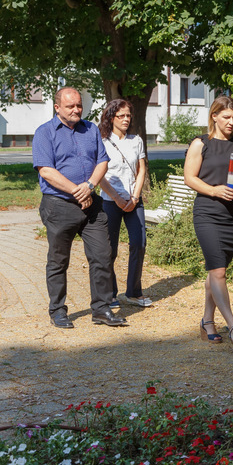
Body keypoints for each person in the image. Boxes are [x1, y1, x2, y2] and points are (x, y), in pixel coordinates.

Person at [32, 87, 128, 328]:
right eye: (70, 106)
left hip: (91, 205)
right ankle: (57, 310)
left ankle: (101, 309)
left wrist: (90, 186)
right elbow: (46, 170)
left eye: (79, 105)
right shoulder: (44, 132)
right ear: (57, 108)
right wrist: (78, 190)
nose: (76, 110)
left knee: (102, 255)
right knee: (58, 260)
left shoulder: (91, 129)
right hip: (59, 205)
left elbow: (102, 161)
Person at [184, 95, 233, 349]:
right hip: (207, 214)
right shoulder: (201, 144)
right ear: (214, 116)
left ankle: (207, 322)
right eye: (226, 117)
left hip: (232, 216)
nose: (231, 122)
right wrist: (214, 190)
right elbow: (190, 178)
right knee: (219, 271)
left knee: (216, 271)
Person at [98, 99, 152, 308]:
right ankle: (110, 295)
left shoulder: (136, 140)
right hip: (110, 201)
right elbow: (99, 175)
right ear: (111, 118)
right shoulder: (102, 141)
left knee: (139, 243)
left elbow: (141, 170)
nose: (126, 119)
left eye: (128, 115)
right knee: (109, 249)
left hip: (133, 201)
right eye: (121, 116)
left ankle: (133, 292)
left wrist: (135, 197)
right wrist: (117, 198)